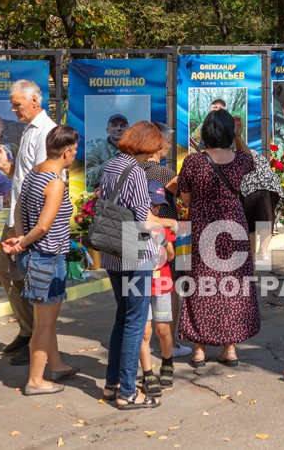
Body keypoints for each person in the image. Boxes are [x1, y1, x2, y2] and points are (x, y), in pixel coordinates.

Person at [98, 121, 179, 409]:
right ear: (145, 145)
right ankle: (128, 392)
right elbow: (143, 219)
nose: (157, 152)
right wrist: (171, 222)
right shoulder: (133, 172)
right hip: (135, 250)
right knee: (135, 321)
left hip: (113, 249)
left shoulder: (112, 165)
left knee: (123, 317)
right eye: (156, 146)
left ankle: (113, 384)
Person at [177, 110, 261, 367]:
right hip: (233, 223)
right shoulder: (240, 161)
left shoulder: (193, 162)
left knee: (201, 283)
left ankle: (199, 349)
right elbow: (252, 159)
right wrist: (238, 136)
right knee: (233, 284)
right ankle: (230, 348)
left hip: (202, 224)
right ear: (229, 133)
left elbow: (185, 199)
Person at [1, 126, 80, 395]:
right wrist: (23, 241)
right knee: (44, 323)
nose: (74, 156)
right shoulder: (55, 182)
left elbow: (19, 205)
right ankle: (35, 380)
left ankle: (55, 364)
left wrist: (20, 237)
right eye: (74, 151)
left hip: (35, 256)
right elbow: (44, 226)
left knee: (46, 318)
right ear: (67, 151)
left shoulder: (35, 172)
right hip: (47, 257)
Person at [0, 79, 55, 365]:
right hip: (18, 214)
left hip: (28, 218)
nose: (13, 109)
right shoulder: (29, 129)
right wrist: (7, 168)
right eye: (13, 104)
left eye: (17, 104)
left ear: (34, 101)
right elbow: (26, 175)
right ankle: (30, 332)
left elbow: (45, 180)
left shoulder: (47, 132)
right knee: (5, 269)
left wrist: (26, 227)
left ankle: (36, 342)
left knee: (27, 276)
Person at [140, 123, 193, 361]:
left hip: (142, 235)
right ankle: (168, 341)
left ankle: (147, 339)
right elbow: (186, 194)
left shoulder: (136, 169)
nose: (170, 146)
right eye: (167, 141)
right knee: (168, 289)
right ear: (157, 143)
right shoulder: (162, 173)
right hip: (165, 235)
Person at [137, 188, 177, 398]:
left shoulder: (163, 229)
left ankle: (167, 363)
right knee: (145, 331)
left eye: (160, 205)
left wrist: (161, 239)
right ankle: (147, 373)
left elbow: (170, 256)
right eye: (154, 205)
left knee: (163, 328)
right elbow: (132, 256)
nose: (158, 209)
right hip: (140, 283)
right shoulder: (133, 227)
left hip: (161, 282)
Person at [85, 114, 129, 191]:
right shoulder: (97, 150)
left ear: (128, 129)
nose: (119, 128)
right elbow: (88, 179)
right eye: (114, 125)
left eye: (122, 125)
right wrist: (110, 164)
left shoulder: (136, 149)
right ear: (107, 130)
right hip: (105, 198)